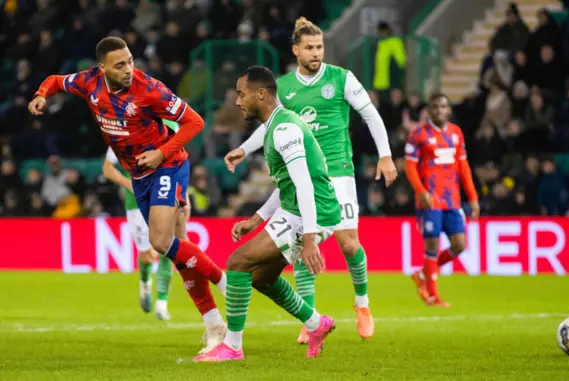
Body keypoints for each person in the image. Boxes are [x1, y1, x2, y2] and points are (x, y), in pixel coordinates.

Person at [28, 36, 227, 354]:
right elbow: (55, 81)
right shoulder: (88, 82)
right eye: (120, 64)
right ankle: (215, 325)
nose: (129, 69)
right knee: (175, 252)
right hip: (139, 177)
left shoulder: (149, 88)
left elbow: (194, 121)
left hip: (169, 166)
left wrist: (161, 153)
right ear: (102, 67)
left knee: (161, 243)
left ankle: (225, 283)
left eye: (131, 60)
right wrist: (41, 95)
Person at [224, 17, 397, 343]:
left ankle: (362, 304)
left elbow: (370, 114)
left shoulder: (341, 78)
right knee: (303, 241)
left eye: (319, 47)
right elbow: (270, 125)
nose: (316, 53)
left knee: (348, 244)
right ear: (296, 50)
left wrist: (385, 155)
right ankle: (311, 318)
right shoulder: (284, 88)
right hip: (303, 172)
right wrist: (245, 150)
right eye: (309, 47)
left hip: (338, 174)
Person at [194, 66, 339, 362]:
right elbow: (287, 184)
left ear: (261, 94)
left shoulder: (285, 130)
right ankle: (316, 324)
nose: (237, 101)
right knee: (260, 278)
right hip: (297, 209)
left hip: (312, 213)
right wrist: (257, 219)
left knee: (236, 264)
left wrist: (309, 239)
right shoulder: (276, 126)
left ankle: (232, 347)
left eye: (241, 93)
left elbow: (304, 184)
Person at [405, 93, 479, 307]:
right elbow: (410, 167)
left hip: (452, 201)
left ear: (449, 110)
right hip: (430, 200)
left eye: (443, 107)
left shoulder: (456, 133)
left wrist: (472, 197)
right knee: (432, 245)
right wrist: (421, 191)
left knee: (459, 245)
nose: (439, 110)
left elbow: (464, 168)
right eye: (435, 107)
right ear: (429, 110)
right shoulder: (418, 135)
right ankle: (432, 295)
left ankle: (422, 274)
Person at [103, 144, 176, 320]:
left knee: (168, 249)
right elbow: (107, 169)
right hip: (137, 203)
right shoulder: (121, 136)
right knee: (147, 255)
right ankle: (145, 282)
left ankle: (162, 304)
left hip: (165, 196)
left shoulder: (164, 132)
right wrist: (129, 183)